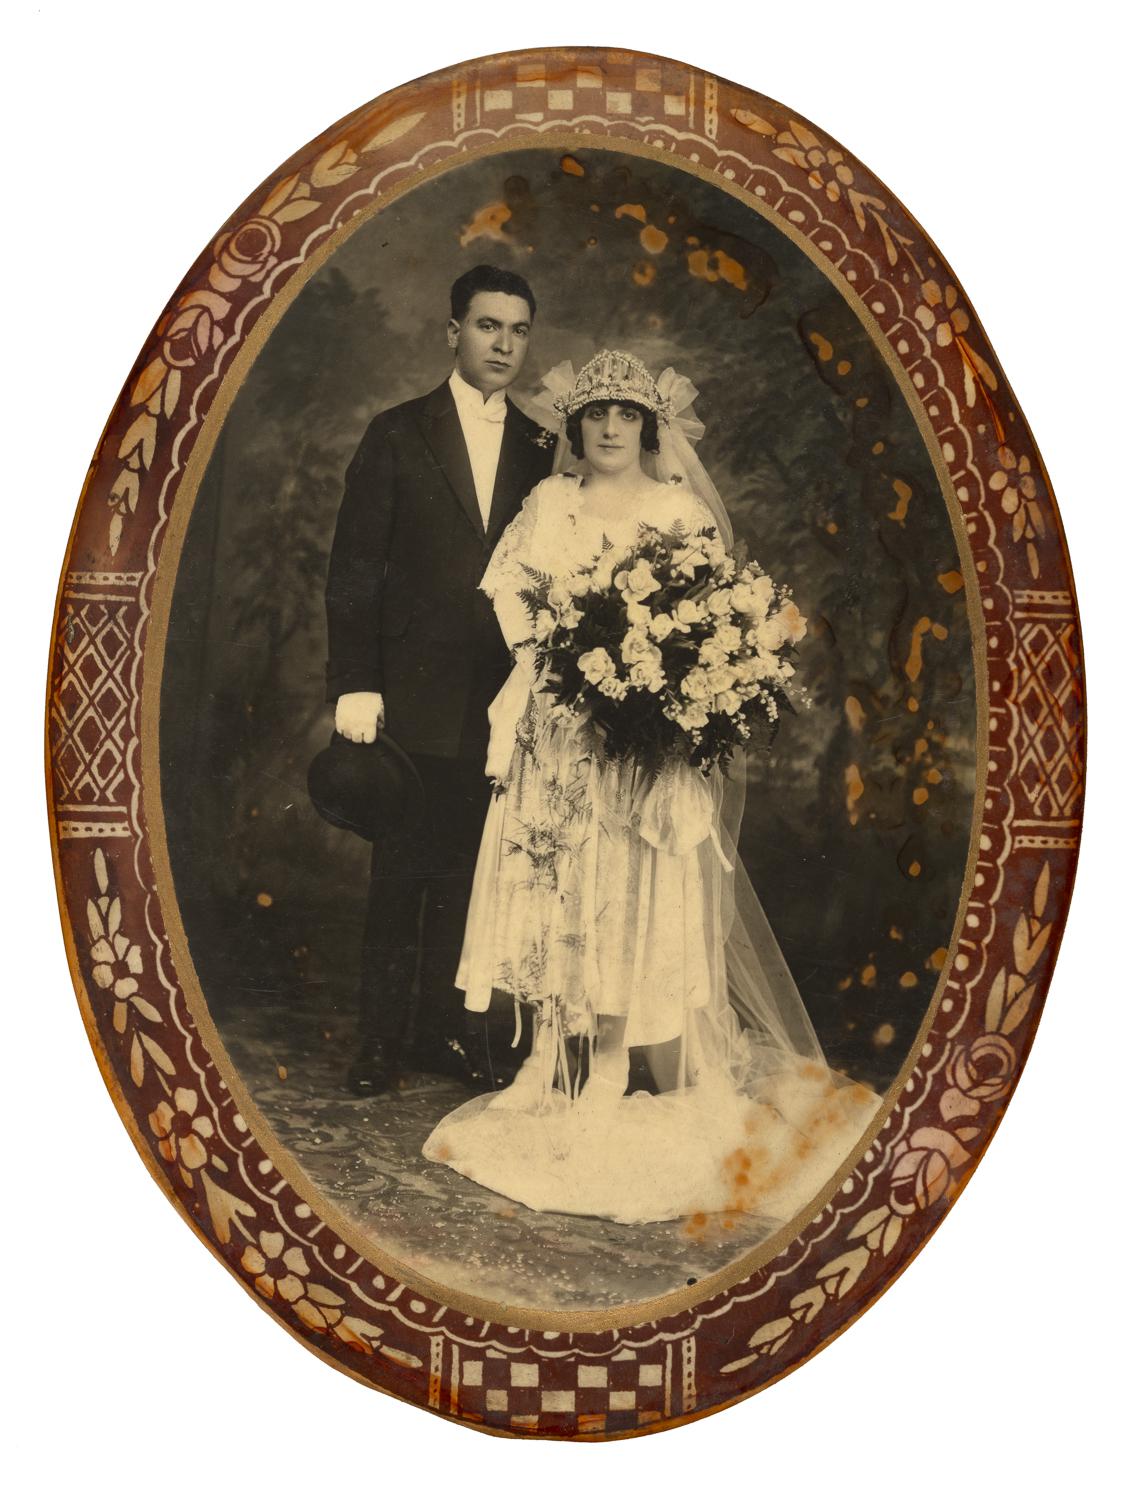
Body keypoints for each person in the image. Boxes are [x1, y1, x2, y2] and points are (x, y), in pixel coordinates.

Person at [422, 350, 880, 1225]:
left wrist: (646, 701)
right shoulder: (549, 503)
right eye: (594, 414)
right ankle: (540, 1058)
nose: (608, 429)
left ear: (650, 426)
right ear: (574, 426)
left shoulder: (677, 511)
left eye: (626, 415)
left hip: (639, 740)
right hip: (555, 724)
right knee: (551, 882)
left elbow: (703, 621)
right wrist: (557, 670)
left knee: (628, 892)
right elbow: (512, 594)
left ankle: (606, 1064)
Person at [324, 265, 555, 1095]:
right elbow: (355, 569)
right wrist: (355, 681)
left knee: (465, 875)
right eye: (488, 325)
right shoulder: (396, 432)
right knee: (400, 874)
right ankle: (379, 1042)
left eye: (518, 330)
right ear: (453, 331)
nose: (503, 343)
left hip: (494, 700)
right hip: (409, 691)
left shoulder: (539, 447)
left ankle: (437, 1035)